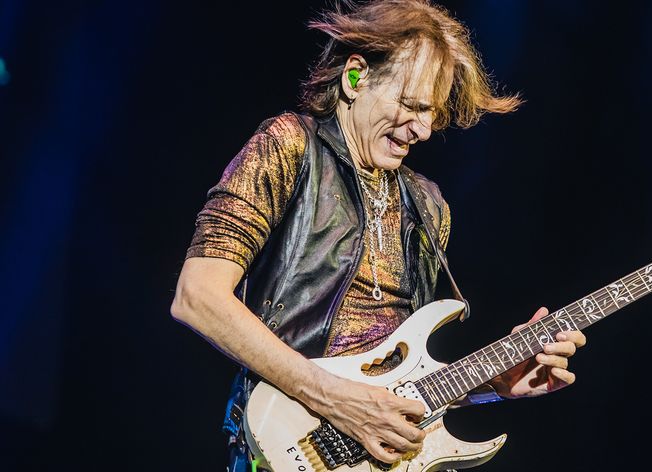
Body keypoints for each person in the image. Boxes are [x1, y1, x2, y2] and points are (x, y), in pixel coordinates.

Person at [170, 1, 586, 469]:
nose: (424, 129)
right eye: (411, 106)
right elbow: (197, 295)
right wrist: (335, 397)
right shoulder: (289, 146)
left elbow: (400, 381)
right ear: (354, 78)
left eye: (432, 113)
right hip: (284, 443)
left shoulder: (428, 206)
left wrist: (491, 386)